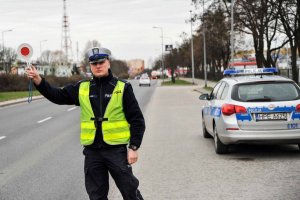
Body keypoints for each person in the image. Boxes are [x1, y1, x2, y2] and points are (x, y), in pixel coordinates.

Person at [26, 47, 145, 200]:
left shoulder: (123, 88)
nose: (98, 66)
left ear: (108, 63)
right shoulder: (83, 88)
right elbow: (57, 95)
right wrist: (38, 81)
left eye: (101, 62)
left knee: (130, 192)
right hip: (92, 153)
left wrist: (133, 147)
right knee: (96, 196)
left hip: (116, 152)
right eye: (94, 63)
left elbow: (137, 120)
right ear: (90, 66)